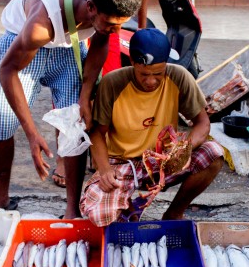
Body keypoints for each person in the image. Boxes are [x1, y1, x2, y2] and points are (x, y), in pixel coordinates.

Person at [0, 0, 142, 216]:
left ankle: (72, 210)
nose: (116, 31)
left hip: (68, 46)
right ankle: (0, 197)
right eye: (111, 24)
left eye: (121, 24)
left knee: (75, 126)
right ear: (90, 8)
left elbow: (100, 44)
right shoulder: (39, 25)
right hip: (21, 44)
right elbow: (7, 72)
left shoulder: (104, 8)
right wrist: (32, 133)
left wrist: (85, 97)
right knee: (4, 122)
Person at [80, 28, 224, 227]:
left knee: (214, 153)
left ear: (167, 64)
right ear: (132, 63)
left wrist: (183, 149)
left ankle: (173, 214)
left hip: (162, 160)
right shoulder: (112, 83)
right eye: (143, 74)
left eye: (158, 73)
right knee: (98, 215)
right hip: (123, 163)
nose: (151, 81)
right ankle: (127, 204)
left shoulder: (179, 77)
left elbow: (203, 123)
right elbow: (97, 133)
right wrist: (104, 170)